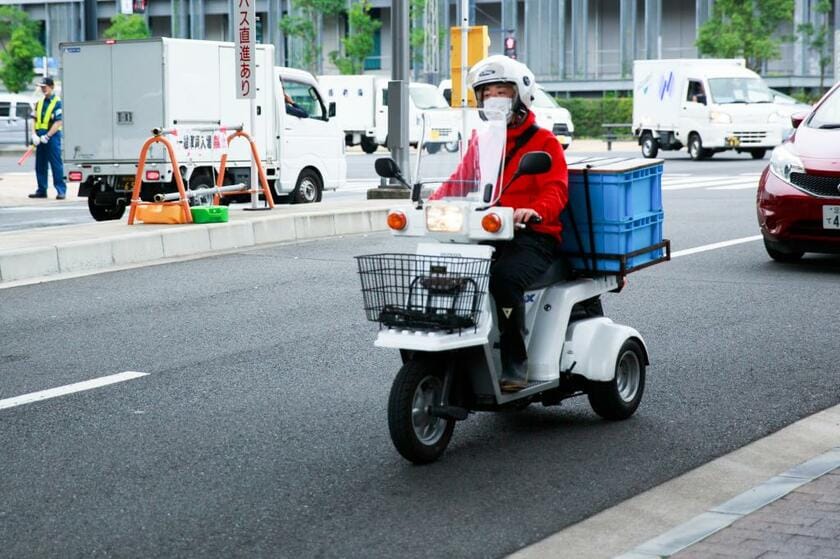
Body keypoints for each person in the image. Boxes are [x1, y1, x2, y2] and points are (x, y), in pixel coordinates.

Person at [431, 55, 569, 392]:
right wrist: (432, 201)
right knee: (444, 271)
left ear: (519, 94)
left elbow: (556, 190)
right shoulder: (484, 141)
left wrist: (533, 211)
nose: (494, 98)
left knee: (504, 279)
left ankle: (514, 362)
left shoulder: (544, 142)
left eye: (501, 91)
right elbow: (459, 180)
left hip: (532, 237)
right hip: (488, 230)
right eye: (487, 93)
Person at [28, 76, 66, 200]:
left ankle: (61, 190)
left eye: (45, 87)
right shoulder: (39, 103)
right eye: (42, 87)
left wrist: (48, 135)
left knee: (56, 164)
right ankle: (41, 190)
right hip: (40, 136)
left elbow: (58, 121)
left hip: (52, 137)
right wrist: (34, 134)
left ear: (52, 87)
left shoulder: (57, 103)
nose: (43, 89)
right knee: (40, 164)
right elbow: (33, 119)